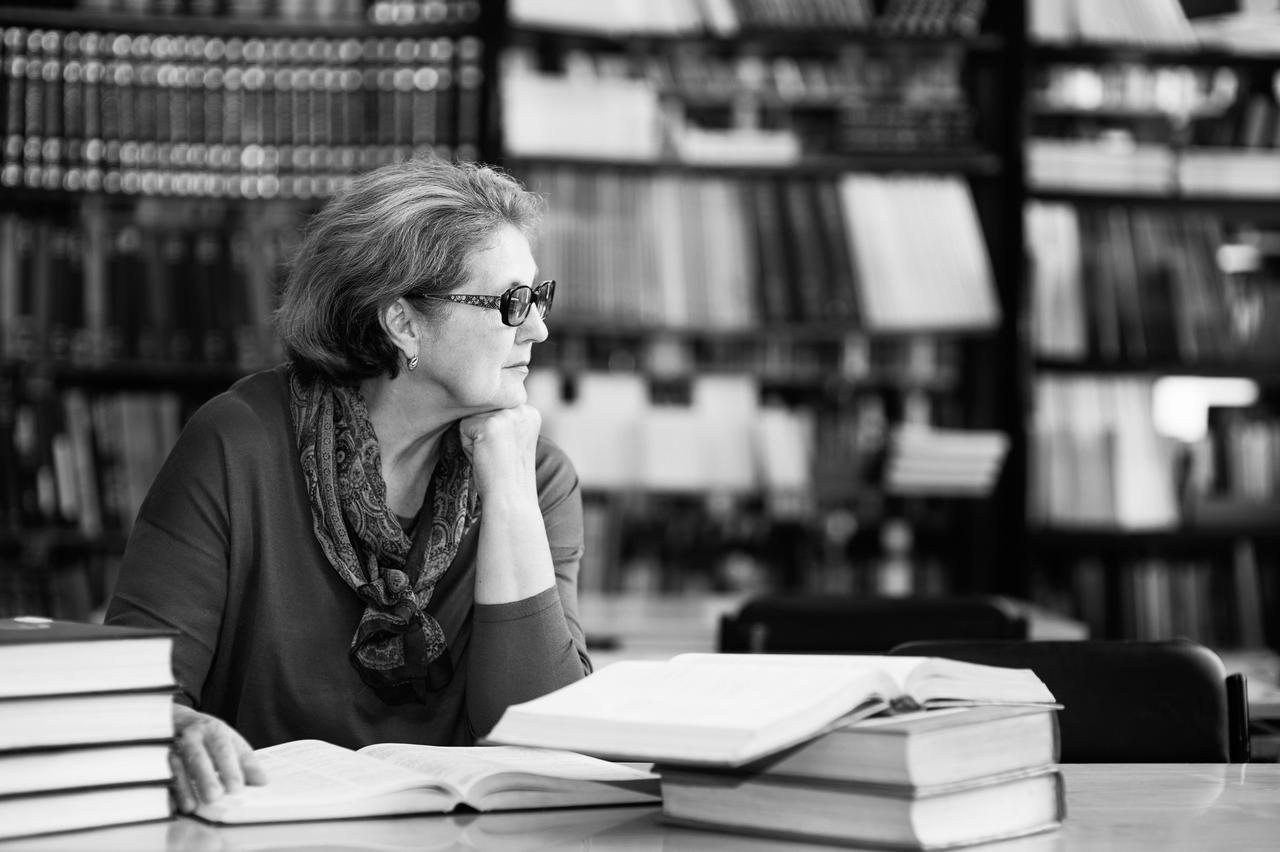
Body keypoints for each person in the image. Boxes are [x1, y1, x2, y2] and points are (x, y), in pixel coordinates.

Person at [105, 157, 591, 814]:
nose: (537, 327)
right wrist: (174, 727)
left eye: (538, 296)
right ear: (403, 323)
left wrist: (506, 487)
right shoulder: (237, 443)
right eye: (510, 303)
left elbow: (545, 740)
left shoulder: (536, 474)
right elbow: (133, 703)